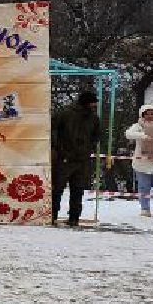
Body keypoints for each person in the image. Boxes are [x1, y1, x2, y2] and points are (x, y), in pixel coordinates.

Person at [51, 89, 101, 227]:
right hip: (64, 157)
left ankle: (74, 218)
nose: (95, 106)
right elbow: (53, 130)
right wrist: (59, 149)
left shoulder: (93, 117)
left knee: (77, 190)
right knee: (57, 189)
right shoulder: (65, 113)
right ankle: (52, 215)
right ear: (86, 103)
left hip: (80, 158)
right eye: (93, 103)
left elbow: (96, 136)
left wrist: (88, 149)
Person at [124, 103, 153, 219]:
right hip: (143, 163)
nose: (150, 116)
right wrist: (143, 136)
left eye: (152, 113)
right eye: (147, 114)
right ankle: (145, 209)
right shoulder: (139, 125)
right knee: (144, 187)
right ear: (142, 115)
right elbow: (128, 134)